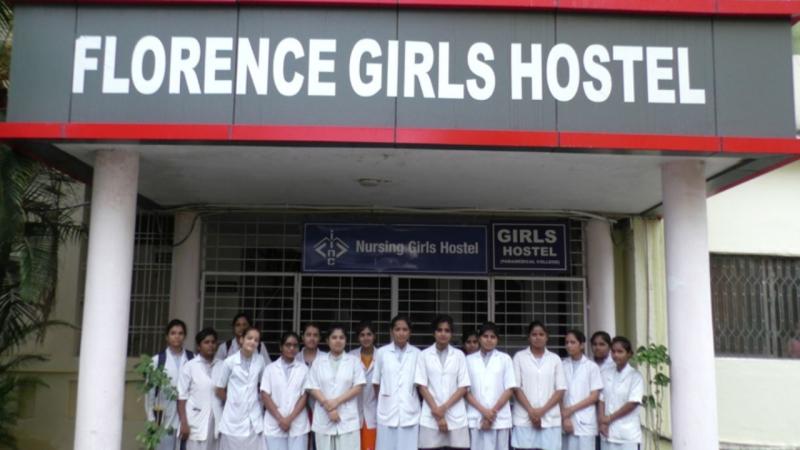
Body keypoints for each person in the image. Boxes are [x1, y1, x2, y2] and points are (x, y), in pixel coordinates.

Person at [306, 324, 366, 450]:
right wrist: (328, 407)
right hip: (324, 417)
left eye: (341, 337)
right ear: (327, 341)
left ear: (346, 340)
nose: (338, 341)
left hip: (347, 419)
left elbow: (359, 386)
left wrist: (336, 402)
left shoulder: (354, 361)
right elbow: (312, 387)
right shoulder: (318, 361)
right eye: (334, 337)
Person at [415, 314, 471, 450]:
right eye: (439, 330)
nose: (443, 334)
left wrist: (443, 409)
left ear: (451, 334)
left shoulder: (459, 355)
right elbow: (422, 386)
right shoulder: (424, 355)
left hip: (455, 415)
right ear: (434, 333)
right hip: (431, 416)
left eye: (447, 330)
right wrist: (438, 414)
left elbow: (463, 387)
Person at [511, 321, 566, 450]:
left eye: (541, 334)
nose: (538, 337)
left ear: (547, 337)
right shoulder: (519, 357)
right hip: (524, 418)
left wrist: (542, 411)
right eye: (534, 334)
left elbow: (560, 389)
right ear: (528, 337)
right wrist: (531, 411)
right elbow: (516, 387)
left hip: (550, 418)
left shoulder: (555, 359)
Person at [465, 322, 517, 450]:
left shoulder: (505, 359)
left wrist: (491, 413)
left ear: (497, 340)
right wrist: (484, 412)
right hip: (476, 417)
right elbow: (465, 390)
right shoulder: (468, 360)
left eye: (493, 337)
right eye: (485, 336)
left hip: (499, 418)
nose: (489, 340)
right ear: (479, 338)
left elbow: (510, 389)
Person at [373, 315, 422, 450]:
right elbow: (376, 383)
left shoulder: (417, 354)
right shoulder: (382, 353)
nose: (401, 333)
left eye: (405, 329)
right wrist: (385, 399)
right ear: (391, 331)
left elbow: (420, 385)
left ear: (410, 332)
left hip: (410, 411)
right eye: (397, 329)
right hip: (387, 411)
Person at [146, 319, 195, 450]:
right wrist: (151, 419)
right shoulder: (157, 360)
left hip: (187, 417)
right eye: (173, 333)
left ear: (184, 336)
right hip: (163, 417)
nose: (177, 336)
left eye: (180, 333)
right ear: (167, 337)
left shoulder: (192, 358)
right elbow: (150, 393)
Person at [215, 327, 267, 450]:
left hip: (253, 419)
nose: (252, 342)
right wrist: (233, 401)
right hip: (233, 418)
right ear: (241, 339)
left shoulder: (260, 360)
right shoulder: (229, 362)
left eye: (256, 340)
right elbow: (219, 389)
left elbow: (263, 386)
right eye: (249, 338)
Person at [261, 332, 311, 450]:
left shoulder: (304, 369)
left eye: (295, 345)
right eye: (288, 345)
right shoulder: (270, 369)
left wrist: (289, 419)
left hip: (297, 424)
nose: (292, 348)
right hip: (275, 424)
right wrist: (280, 419)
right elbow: (265, 395)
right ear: (281, 347)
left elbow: (304, 396)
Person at [178, 328, 223, 450]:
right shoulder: (189, 366)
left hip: (217, 421)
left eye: (213, 342)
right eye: (206, 342)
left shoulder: (222, 365)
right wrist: (184, 423)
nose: (210, 345)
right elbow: (181, 397)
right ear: (199, 346)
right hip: (195, 420)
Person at [598, 337, 644, 450]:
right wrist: (602, 421)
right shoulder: (605, 373)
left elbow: (632, 403)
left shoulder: (635, 377)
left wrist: (609, 418)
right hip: (608, 433)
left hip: (627, 435)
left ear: (629, 354)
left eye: (620, 351)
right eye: (613, 351)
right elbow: (601, 399)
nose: (616, 355)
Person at [560, 330, 603, 450]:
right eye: (567, 342)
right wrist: (565, 417)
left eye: (573, 342)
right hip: (566, 421)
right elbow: (559, 393)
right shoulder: (562, 365)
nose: (569, 345)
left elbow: (594, 396)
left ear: (582, 345)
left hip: (586, 421)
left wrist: (571, 410)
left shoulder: (591, 367)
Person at [349, 321, 378, 450]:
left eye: (369, 334)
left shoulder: (382, 355)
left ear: (374, 336)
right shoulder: (351, 357)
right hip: (353, 411)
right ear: (358, 337)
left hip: (374, 411)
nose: (366, 338)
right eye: (362, 335)